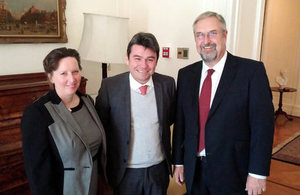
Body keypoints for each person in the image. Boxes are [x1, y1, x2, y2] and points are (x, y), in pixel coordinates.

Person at [172, 11, 274, 195]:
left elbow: (263, 126)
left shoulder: (251, 72)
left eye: (213, 33)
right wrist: (179, 162)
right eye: (200, 35)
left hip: (234, 172)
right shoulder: (186, 75)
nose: (206, 41)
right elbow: (181, 124)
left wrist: (257, 172)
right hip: (194, 170)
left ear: (225, 35)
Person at [95, 32, 176, 195]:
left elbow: (170, 119)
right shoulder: (110, 87)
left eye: (150, 59)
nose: (143, 65)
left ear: (156, 61)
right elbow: (100, 130)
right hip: (125, 173)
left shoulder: (167, 84)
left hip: (158, 171)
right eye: (137, 58)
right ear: (127, 59)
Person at [21, 47, 107, 195]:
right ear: (51, 77)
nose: (72, 79)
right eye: (63, 73)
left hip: (94, 184)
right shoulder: (36, 113)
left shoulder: (87, 101)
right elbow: (38, 173)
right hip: (64, 188)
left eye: (75, 71)